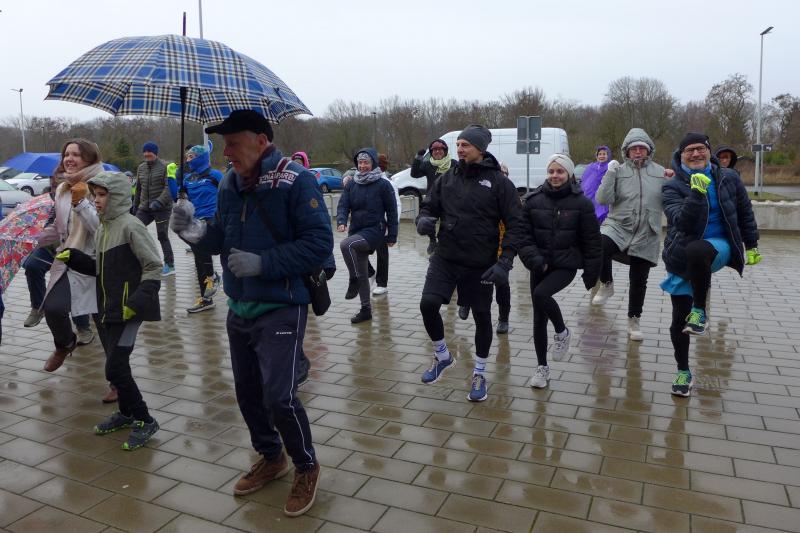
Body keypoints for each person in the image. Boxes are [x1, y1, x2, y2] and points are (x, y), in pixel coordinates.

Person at [170, 109, 331, 517]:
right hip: (239, 305)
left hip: (283, 304)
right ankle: (271, 456)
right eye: (224, 145)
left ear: (261, 141)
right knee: (247, 393)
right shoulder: (228, 183)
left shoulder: (297, 180)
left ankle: (306, 465)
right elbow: (222, 237)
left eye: (233, 143)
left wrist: (264, 263)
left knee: (279, 397)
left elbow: (319, 244)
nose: (226, 152)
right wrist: (193, 232)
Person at [416, 124, 523, 402]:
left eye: (466, 145)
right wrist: (423, 219)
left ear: (481, 149)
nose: (460, 149)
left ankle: (479, 373)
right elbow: (429, 206)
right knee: (428, 304)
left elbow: (516, 224)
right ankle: (443, 356)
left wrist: (505, 262)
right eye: (458, 145)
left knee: (482, 317)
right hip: (446, 256)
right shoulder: (447, 178)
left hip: (480, 263)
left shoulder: (499, 183)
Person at [55, 171, 162, 449]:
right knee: (114, 368)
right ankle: (126, 413)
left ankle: (145, 419)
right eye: (95, 195)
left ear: (118, 196)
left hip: (130, 310)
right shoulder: (104, 228)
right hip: (110, 308)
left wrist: (136, 303)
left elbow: (154, 266)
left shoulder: (131, 226)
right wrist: (75, 258)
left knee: (115, 366)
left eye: (102, 195)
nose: (97, 200)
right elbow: (101, 270)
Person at [662, 133, 760, 396]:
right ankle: (683, 372)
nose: (695, 154)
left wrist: (752, 244)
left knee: (699, 250)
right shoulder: (672, 186)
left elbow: (744, 211)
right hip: (682, 253)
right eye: (689, 151)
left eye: (700, 149)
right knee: (678, 319)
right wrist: (696, 193)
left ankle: (700, 310)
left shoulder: (728, 178)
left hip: (719, 246)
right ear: (681, 155)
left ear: (709, 151)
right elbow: (682, 224)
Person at [518, 154, 601, 388]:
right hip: (539, 264)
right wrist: (535, 260)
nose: (555, 176)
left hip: (566, 264)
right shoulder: (533, 200)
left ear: (569, 174)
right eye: (551, 171)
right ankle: (541, 368)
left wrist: (592, 273)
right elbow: (523, 236)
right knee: (538, 318)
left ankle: (562, 332)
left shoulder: (582, 204)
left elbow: (592, 241)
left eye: (560, 171)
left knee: (541, 294)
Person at [593, 128, 672, 341]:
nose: (638, 151)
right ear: (626, 151)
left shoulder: (660, 172)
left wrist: (674, 180)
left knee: (639, 280)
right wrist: (610, 174)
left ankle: (633, 320)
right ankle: (606, 283)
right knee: (598, 244)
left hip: (647, 231)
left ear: (649, 151)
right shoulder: (618, 171)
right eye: (633, 148)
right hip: (618, 226)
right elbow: (602, 199)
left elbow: (671, 201)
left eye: (641, 148)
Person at [34, 139, 105, 371]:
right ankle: (65, 344)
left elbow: (102, 230)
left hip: (99, 264)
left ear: (89, 158)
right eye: (66, 154)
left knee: (106, 326)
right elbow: (60, 229)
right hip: (69, 259)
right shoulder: (63, 189)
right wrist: (34, 238)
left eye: (76, 155)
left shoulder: (103, 185)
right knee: (53, 308)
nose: (69, 159)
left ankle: (118, 379)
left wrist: (81, 202)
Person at [336, 148, 398, 323]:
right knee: (362, 270)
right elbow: (343, 205)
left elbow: (392, 211)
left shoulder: (383, 185)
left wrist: (392, 235)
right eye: (360, 162)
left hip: (375, 230)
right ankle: (365, 310)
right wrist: (342, 221)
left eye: (366, 162)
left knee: (346, 245)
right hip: (357, 229)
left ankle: (353, 278)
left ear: (373, 164)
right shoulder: (352, 184)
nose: (362, 166)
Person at [457, 163, 513, 334]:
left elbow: (516, 224)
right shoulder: (481, 192)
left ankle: (503, 318)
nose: (501, 175)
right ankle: (465, 302)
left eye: (504, 173)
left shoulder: (509, 196)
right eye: (499, 172)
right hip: (477, 248)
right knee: (468, 276)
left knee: (502, 285)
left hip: (501, 250)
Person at [182, 145, 223, 313]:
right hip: (196, 221)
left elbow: (228, 194)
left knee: (205, 255)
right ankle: (206, 299)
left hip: (213, 221)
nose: (188, 160)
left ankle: (215, 279)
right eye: (187, 157)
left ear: (201, 157)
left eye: (191, 156)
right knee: (200, 260)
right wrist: (173, 180)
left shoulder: (215, 175)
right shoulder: (188, 178)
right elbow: (178, 196)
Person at [134, 142, 175, 276]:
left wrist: (159, 201)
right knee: (134, 229)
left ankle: (170, 264)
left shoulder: (165, 167)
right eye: (145, 152)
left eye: (149, 151)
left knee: (162, 235)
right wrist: (134, 207)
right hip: (145, 208)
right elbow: (138, 189)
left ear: (155, 153)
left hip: (162, 208)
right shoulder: (141, 168)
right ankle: (139, 261)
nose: (147, 154)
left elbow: (169, 188)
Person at [411, 139, 457, 255]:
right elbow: (414, 174)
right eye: (434, 150)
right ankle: (432, 240)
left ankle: (443, 244)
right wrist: (418, 158)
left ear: (445, 151)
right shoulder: (428, 164)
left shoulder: (453, 164)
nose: (437, 152)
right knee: (425, 221)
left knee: (448, 224)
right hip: (432, 199)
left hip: (449, 199)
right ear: (431, 152)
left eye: (440, 149)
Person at [370, 153, 401, 296]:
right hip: (366, 224)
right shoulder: (364, 181)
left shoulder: (388, 184)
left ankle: (382, 283)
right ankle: (370, 272)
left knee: (382, 254)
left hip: (382, 225)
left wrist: (391, 226)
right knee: (356, 248)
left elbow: (396, 206)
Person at [579, 145, 612, 224]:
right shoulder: (591, 167)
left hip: (602, 198)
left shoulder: (610, 168)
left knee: (601, 218)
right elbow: (585, 181)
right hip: (590, 198)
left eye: (604, 154)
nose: (601, 156)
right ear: (596, 156)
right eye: (600, 154)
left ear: (608, 155)